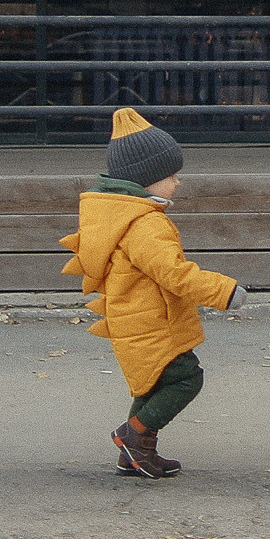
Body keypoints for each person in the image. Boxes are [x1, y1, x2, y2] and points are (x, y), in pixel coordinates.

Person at [61, 106, 247, 479]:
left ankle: (135, 454)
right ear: (146, 179)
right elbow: (174, 274)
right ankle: (134, 435)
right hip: (152, 323)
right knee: (185, 378)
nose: (177, 183)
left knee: (151, 383)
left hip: (140, 320)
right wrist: (224, 292)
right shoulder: (144, 224)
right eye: (171, 175)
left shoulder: (121, 217)